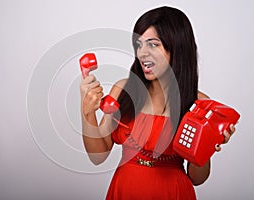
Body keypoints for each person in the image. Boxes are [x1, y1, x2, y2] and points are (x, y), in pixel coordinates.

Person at [80, 6, 236, 200]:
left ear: (177, 47)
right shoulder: (123, 89)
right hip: (125, 190)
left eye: (153, 44)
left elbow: (197, 178)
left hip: (173, 193)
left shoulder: (199, 103)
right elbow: (98, 156)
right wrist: (87, 112)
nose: (142, 53)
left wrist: (206, 146)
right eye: (139, 44)